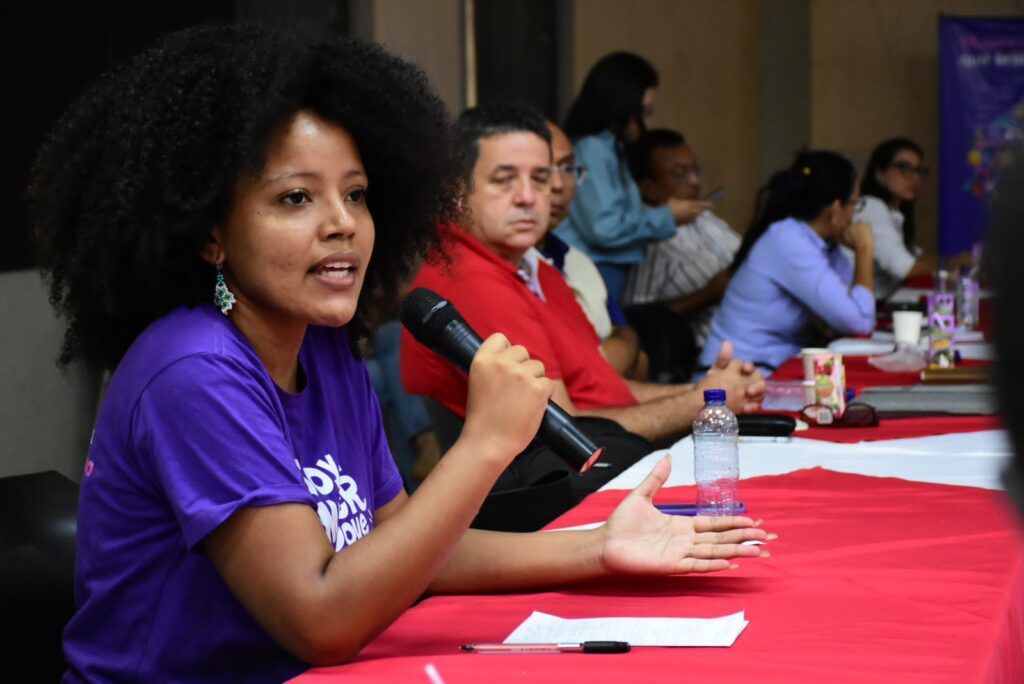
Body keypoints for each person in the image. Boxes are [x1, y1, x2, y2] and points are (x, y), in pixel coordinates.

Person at [31, 26, 773, 683]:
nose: (342, 225)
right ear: (210, 233)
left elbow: (407, 551)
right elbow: (320, 620)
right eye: (296, 199)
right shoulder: (193, 371)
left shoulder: (321, 348)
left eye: (356, 196)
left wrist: (599, 546)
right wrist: (483, 445)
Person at [401, 104, 766, 449]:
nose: (529, 197)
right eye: (505, 179)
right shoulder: (471, 278)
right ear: (456, 191)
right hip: (556, 495)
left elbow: (606, 389)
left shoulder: (534, 266)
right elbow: (568, 431)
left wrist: (710, 392)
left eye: (541, 179)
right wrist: (702, 403)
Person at [699, 150, 876, 374]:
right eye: (855, 203)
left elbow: (855, 308)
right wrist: (865, 250)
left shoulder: (819, 242)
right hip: (734, 376)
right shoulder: (788, 241)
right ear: (836, 209)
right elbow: (859, 322)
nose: (855, 216)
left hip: (771, 368)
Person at [555, 52, 705, 301]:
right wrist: (667, 215)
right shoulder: (593, 149)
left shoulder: (611, 148)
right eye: (644, 111)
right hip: (592, 266)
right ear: (622, 107)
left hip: (605, 269)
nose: (648, 121)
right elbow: (604, 228)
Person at [537, 120, 646, 380]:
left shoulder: (576, 260)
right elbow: (575, 378)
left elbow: (623, 331)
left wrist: (620, 349)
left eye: (567, 168)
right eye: (542, 171)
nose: (559, 185)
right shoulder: (508, 267)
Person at [625, 128, 740, 350]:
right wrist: (708, 294)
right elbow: (639, 320)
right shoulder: (650, 239)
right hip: (715, 353)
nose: (695, 181)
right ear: (649, 188)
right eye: (679, 173)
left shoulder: (706, 218)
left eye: (695, 170)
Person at [854, 137, 969, 297]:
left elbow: (916, 256)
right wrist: (955, 262)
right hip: (868, 308)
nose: (914, 177)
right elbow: (906, 268)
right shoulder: (872, 207)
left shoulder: (894, 211)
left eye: (919, 171)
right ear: (879, 173)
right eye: (904, 168)